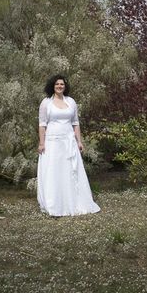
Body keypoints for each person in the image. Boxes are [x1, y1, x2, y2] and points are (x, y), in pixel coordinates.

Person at [37, 74, 100, 216]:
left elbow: (75, 123)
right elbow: (42, 125)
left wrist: (79, 141)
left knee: (71, 171)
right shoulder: (46, 102)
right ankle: (54, 205)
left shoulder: (71, 101)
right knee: (54, 171)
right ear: (52, 86)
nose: (60, 86)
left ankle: (74, 201)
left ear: (65, 87)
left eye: (62, 84)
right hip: (52, 142)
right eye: (57, 84)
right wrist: (42, 143)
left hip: (69, 141)